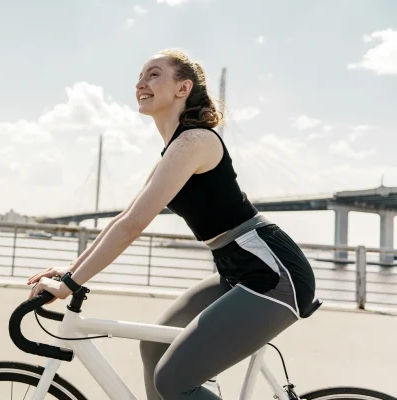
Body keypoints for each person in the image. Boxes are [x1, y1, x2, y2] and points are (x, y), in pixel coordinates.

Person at [27, 48, 317, 399]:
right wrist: (70, 270)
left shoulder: (196, 141)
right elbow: (123, 218)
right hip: (236, 269)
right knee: (154, 347)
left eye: (153, 74)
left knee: (173, 381)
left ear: (183, 88)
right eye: (140, 76)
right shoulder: (174, 150)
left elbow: (133, 225)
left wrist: (71, 284)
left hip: (273, 274)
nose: (140, 83)